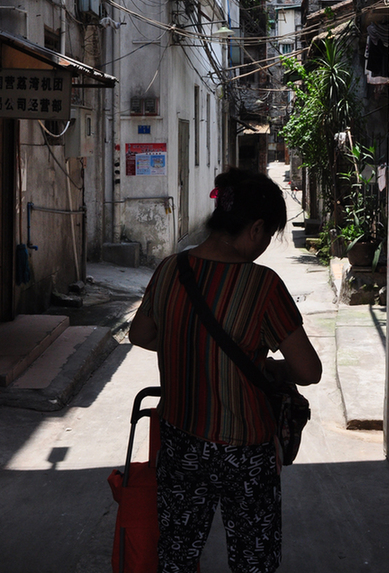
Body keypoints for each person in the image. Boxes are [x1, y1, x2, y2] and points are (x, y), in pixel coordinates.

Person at [129, 167, 322, 573]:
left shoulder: (169, 270)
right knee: (253, 558)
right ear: (255, 229)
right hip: (246, 450)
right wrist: (273, 370)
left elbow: (141, 335)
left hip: (180, 439)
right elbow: (308, 370)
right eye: (269, 236)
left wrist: (190, 346)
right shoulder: (263, 285)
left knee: (178, 554)